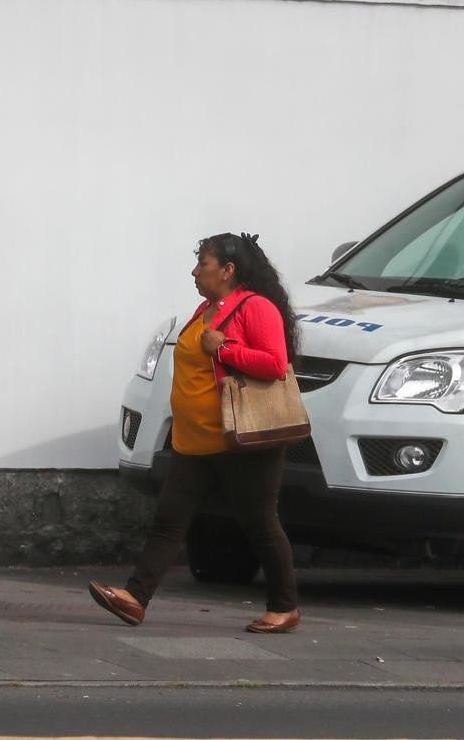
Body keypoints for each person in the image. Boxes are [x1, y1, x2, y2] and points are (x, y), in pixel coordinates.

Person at [89, 232, 303, 634]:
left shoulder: (256, 307)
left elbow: (276, 364)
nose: (194, 271)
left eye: (203, 263)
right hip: (193, 441)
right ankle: (135, 598)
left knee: (260, 523)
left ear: (228, 270)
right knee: (169, 521)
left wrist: (224, 349)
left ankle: (284, 607)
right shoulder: (206, 309)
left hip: (239, 442)